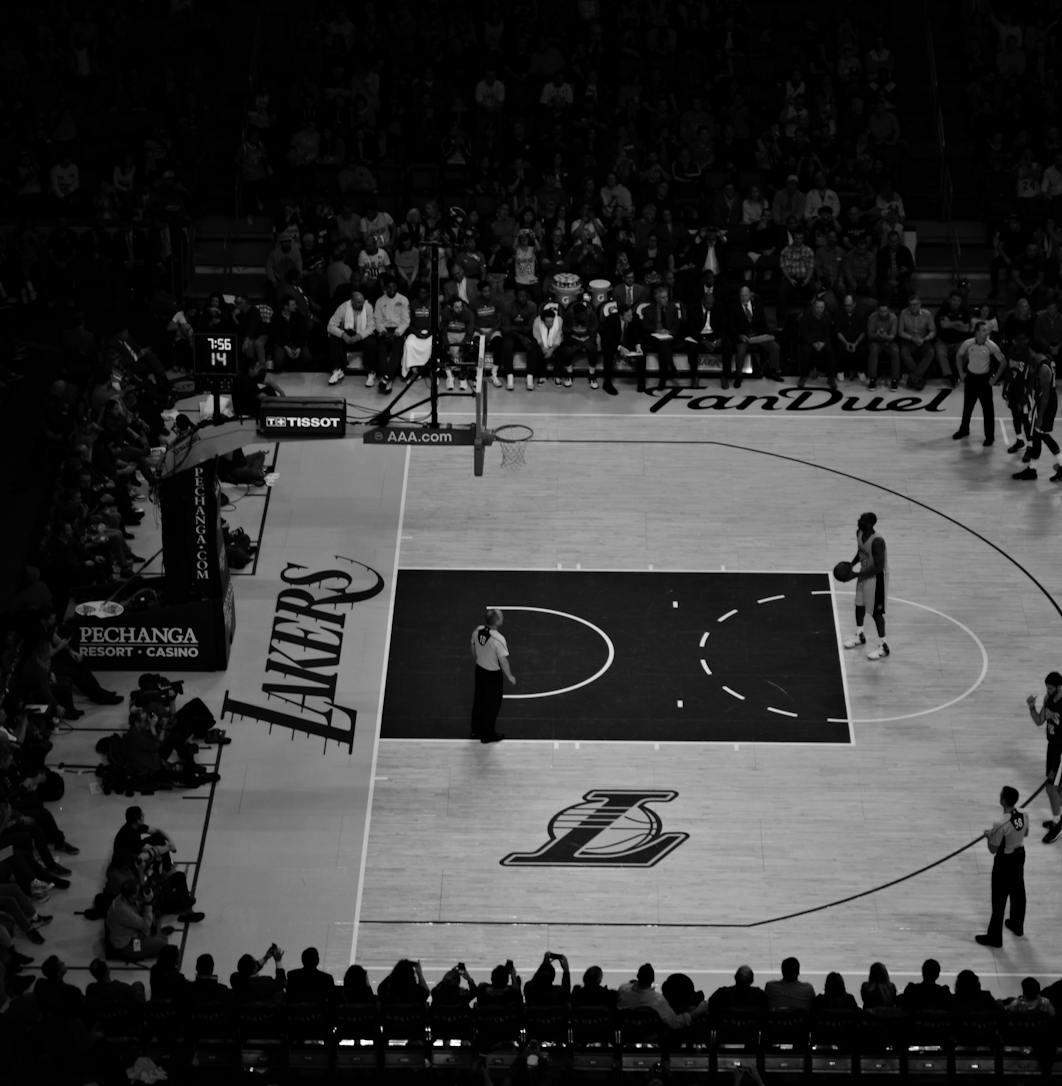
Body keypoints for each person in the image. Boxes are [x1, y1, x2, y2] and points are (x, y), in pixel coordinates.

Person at [975, 784, 1028, 947]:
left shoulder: (1000, 823)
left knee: (999, 899)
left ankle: (995, 937)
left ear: (1003, 800)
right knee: (1018, 891)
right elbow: (1025, 833)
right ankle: (1017, 925)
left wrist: (988, 836)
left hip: (1005, 861)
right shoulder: (1024, 815)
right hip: (1020, 856)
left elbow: (993, 849)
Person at [843, 512, 889, 660]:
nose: (859, 521)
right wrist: (851, 564)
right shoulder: (859, 532)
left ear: (870, 524)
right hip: (864, 574)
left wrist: (856, 575)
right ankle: (860, 635)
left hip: (877, 578)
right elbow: (861, 551)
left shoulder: (878, 542)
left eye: (862, 520)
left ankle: (883, 646)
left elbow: (878, 566)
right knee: (859, 605)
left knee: (876, 613)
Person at [1011, 352, 1062, 481]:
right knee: (1038, 436)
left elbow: (1045, 397)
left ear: (1035, 352)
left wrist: (1040, 417)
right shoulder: (1044, 361)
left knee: (1040, 435)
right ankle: (1033, 469)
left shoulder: (1044, 369)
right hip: (1045, 403)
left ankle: (1034, 470)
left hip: (1046, 405)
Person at [953, 323, 1005, 445]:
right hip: (971, 378)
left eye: (987, 331)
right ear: (976, 332)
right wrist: (961, 373)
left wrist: (995, 379)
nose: (986, 333)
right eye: (983, 330)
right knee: (967, 407)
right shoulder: (968, 343)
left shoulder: (991, 346)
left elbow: (1003, 362)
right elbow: (958, 355)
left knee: (988, 410)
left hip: (984, 380)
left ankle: (989, 437)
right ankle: (964, 430)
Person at [470, 608, 515, 743]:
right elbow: (503, 661)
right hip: (492, 675)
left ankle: (475, 730)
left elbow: (472, 647)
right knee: (492, 705)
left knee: (479, 700)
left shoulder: (477, 630)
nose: (502, 617)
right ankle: (488, 735)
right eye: (501, 616)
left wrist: (477, 660)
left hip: (479, 670)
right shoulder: (499, 639)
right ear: (497, 621)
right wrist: (509, 676)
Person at [1027, 672, 1062, 843]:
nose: (1047, 691)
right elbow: (1039, 721)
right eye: (1046, 688)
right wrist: (1032, 707)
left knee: (1051, 788)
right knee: (1057, 789)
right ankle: (1058, 820)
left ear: (1059, 687)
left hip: (1061, 752)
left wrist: (1055, 720)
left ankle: (1058, 825)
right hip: (1052, 748)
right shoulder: (1049, 698)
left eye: (1050, 688)